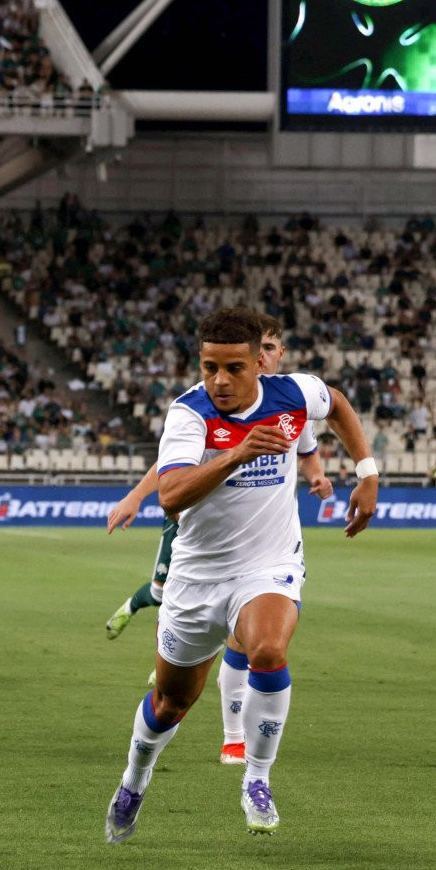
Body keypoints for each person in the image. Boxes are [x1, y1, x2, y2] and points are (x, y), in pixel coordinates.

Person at [104, 308, 378, 843]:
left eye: (233, 368)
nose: (220, 380)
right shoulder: (189, 414)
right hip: (197, 576)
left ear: (259, 363)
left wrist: (367, 473)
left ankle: (257, 778)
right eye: (209, 367)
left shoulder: (294, 393)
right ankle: (135, 778)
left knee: (268, 651)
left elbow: (338, 404)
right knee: (170, 703)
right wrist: (236, 453)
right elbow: (171, 496)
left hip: (268, 565)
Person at [102, 315, 332, 766]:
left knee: (251, 642)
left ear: (273, 355)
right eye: (214, 366)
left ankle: (235, 741)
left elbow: (308, 447)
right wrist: (136, 495)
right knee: (163, 595)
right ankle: (148, 624)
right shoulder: (197, 408)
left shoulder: (292, 400)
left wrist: (324, 476)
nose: (263, 358)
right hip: (196, 534)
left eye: (269, 350)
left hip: (264, 556)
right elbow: (171, 471)